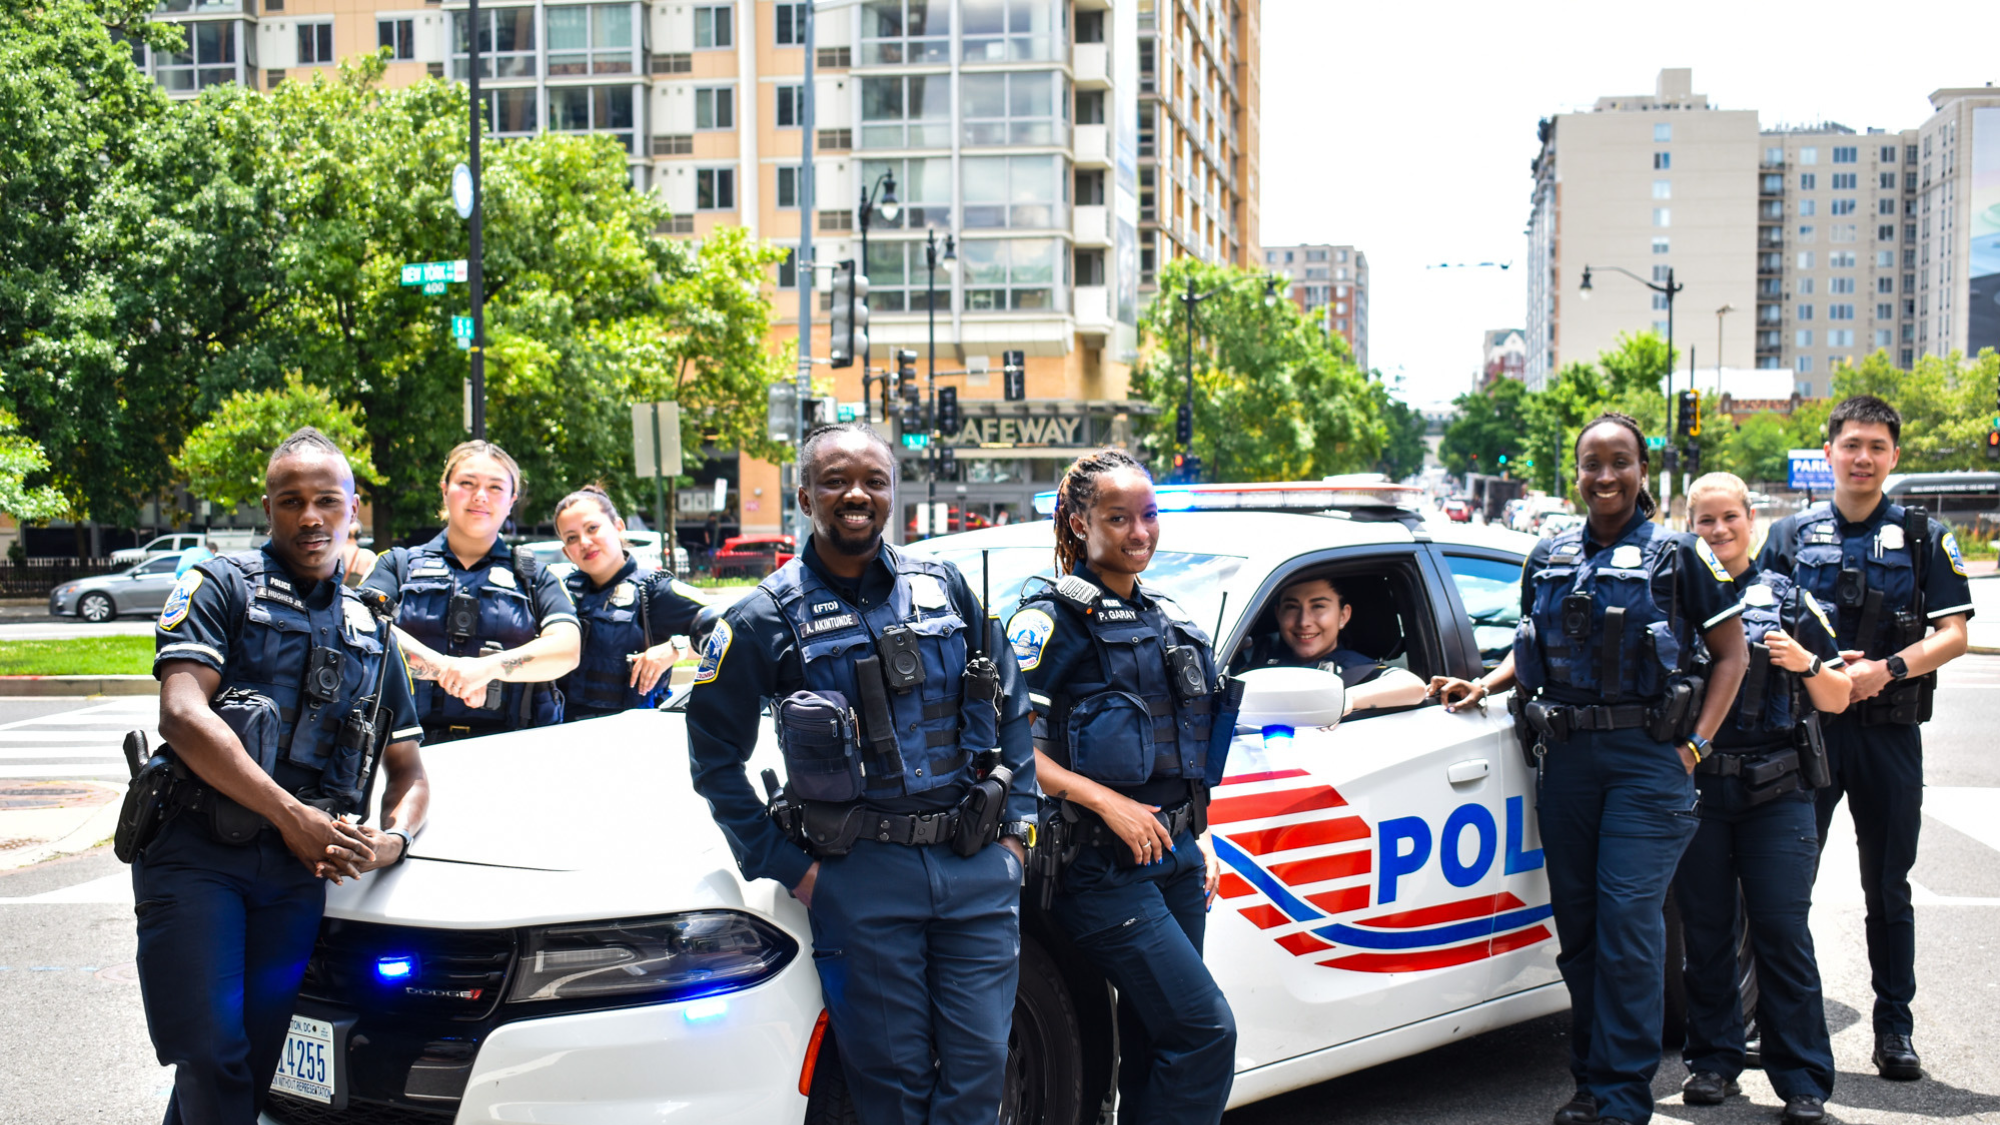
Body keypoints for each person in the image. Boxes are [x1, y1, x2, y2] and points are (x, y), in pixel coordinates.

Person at [686, 423, 1036, 1125]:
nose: (857, 494)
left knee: (979, 1078)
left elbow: (1013, 703)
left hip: (973, 868)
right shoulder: (761, 618)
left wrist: (1018, 834)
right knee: (893, 1093)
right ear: (805, 493)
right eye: (837, 480)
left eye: (874, 481)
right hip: (861, 878)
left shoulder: (946, 587)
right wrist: (794, 869)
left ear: (892, 493)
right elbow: (714, 761)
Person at [1430, 412, 1748, 1125]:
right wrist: (1486, 683)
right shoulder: (1547, 553)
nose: (1605, 476)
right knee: (1579, 930)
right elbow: (1532, 643)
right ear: (1574, 472)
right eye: (1591, 464)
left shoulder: (1680, 554)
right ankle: (1592, 1078)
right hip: (1568, 759)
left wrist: (1694, 746)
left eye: (1620, 462)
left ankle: (1623, 1096)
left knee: (1629, 927)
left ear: (1642, 469)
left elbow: (1734, 655)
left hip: (1648, 762)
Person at [142, 427, 429, 1125]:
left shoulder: (372, 627)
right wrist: (288, 814)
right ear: (266, 506)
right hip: (196, 854)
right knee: (211, 1052)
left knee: (249, 1063)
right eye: (292, 500)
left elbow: (409, 770)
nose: (311, 517)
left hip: (296, 874)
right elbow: (182, 712)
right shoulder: (218, 585)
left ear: (353, 510)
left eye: (327, 500)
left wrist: (393, 840)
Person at [1006, 448, 1239, 1125]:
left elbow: (1181, 746)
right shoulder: (1049, 619)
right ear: (1079, 523)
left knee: (1153, 1039)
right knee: (1203, 1032)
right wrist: (1106, 801)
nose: (1141, 532)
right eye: (1119, 517)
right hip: (1099, 867)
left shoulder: (1164, 617)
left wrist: (1203, 836)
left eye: (1149, 514)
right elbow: (1011, 744)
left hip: (1176, 855)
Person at [1755, 394, 1973, 1080]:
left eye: (1877, 446)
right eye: (1851, 444)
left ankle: (1894, 1030)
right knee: (1783, 887)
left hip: (1888, 734)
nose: (1863, 457)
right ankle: (1779, 1022)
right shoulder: (1789, 537)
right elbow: (1760, 625)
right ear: (1828, 453)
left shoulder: (1921, 534)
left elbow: (1955, 634)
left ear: (1894, 457)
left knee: (1888, 888)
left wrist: (1889, 669)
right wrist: (1820, 667)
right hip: (1807, 734)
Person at [1675, 472, 1848, 1125]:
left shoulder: (1787, 598)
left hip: (1777, 793)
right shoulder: (1675, 598)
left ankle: (1802, 1078)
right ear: (1691, 524)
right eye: (1705, 520)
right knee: (1708, 931)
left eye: (1729, 517)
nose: (1718, 531)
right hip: (1702, 789)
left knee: (1780, 930)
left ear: (1751, 518)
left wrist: (1805, 661)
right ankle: (1715, 1062)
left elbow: (1837, 695)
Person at [363, 440, 580, 743]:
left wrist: (488, 668)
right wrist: (446, 669)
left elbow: (567, 650)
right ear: (444, 489)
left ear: (511, 500)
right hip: (403, 752)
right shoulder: (396, 565)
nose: (480, 496)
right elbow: (362, 625)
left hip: (512, 747)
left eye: (495, 487)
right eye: (467, 483)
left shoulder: (535, 578)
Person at [550, 486, 709, 720]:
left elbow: (736, 628)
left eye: (592, 528)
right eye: (572, 537)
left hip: (630, 736)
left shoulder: (654, 590)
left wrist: (677, 649)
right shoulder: (558, 593)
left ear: (619, 528)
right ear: (566, 552)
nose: (584, 542)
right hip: (559, 732)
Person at [1240, 574, 1430, 714]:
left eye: (1318, 606)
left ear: (1343, 615)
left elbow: (1413, 686)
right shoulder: (1260, 659)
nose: (1303, 621)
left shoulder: (1355, 668)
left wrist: (1347, 699)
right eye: (1292, 607)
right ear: (1278, 614)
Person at [341, 523, 378, 589]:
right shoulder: (368, 555)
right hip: (358, 596)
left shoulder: (333, 553)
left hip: (338, 595)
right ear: (358, 535)